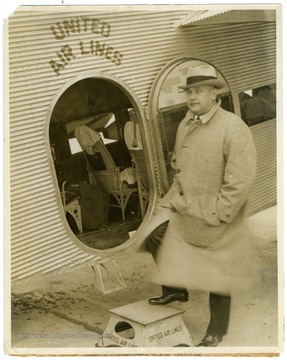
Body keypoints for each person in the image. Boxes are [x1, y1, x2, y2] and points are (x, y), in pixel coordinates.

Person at [145, 64, 258, 347]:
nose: (192, 97)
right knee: (154, 234)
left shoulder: (232, 127)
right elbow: (177, 162)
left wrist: (221, 213)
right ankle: (176, 290)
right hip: (184, 202)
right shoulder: (187, 122)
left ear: (213, 94)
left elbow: (240, 179)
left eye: (198, 92)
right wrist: (174, 194)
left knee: (217, 271)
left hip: (215, 210)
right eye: (189, 92)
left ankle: (216, 331)